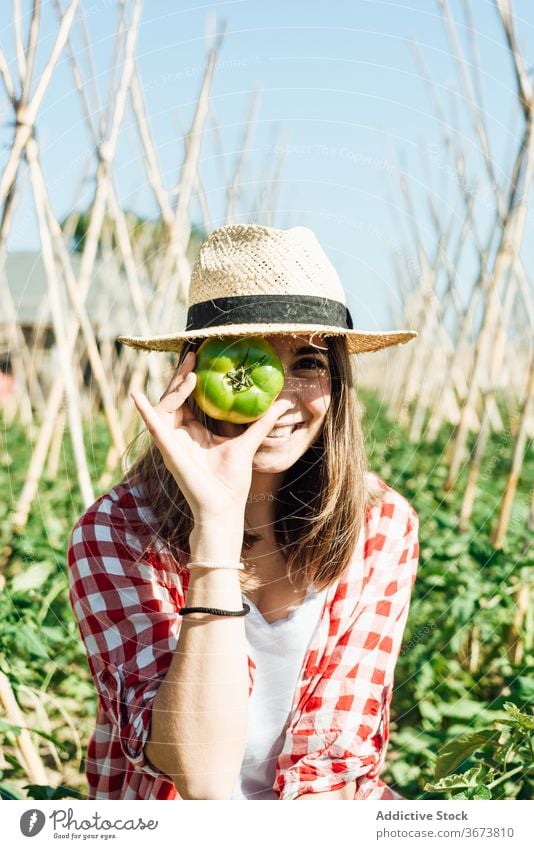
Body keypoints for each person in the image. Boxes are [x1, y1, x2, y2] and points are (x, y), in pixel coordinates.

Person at [67, 223, 420, 801]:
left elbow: (328, 771)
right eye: (246, 364)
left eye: (307, 361)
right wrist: (217, 526)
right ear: (192, 375)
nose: (278, 397)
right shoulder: (116, 532)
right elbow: (198, 774)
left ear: (336, 380)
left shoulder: (380, 525)